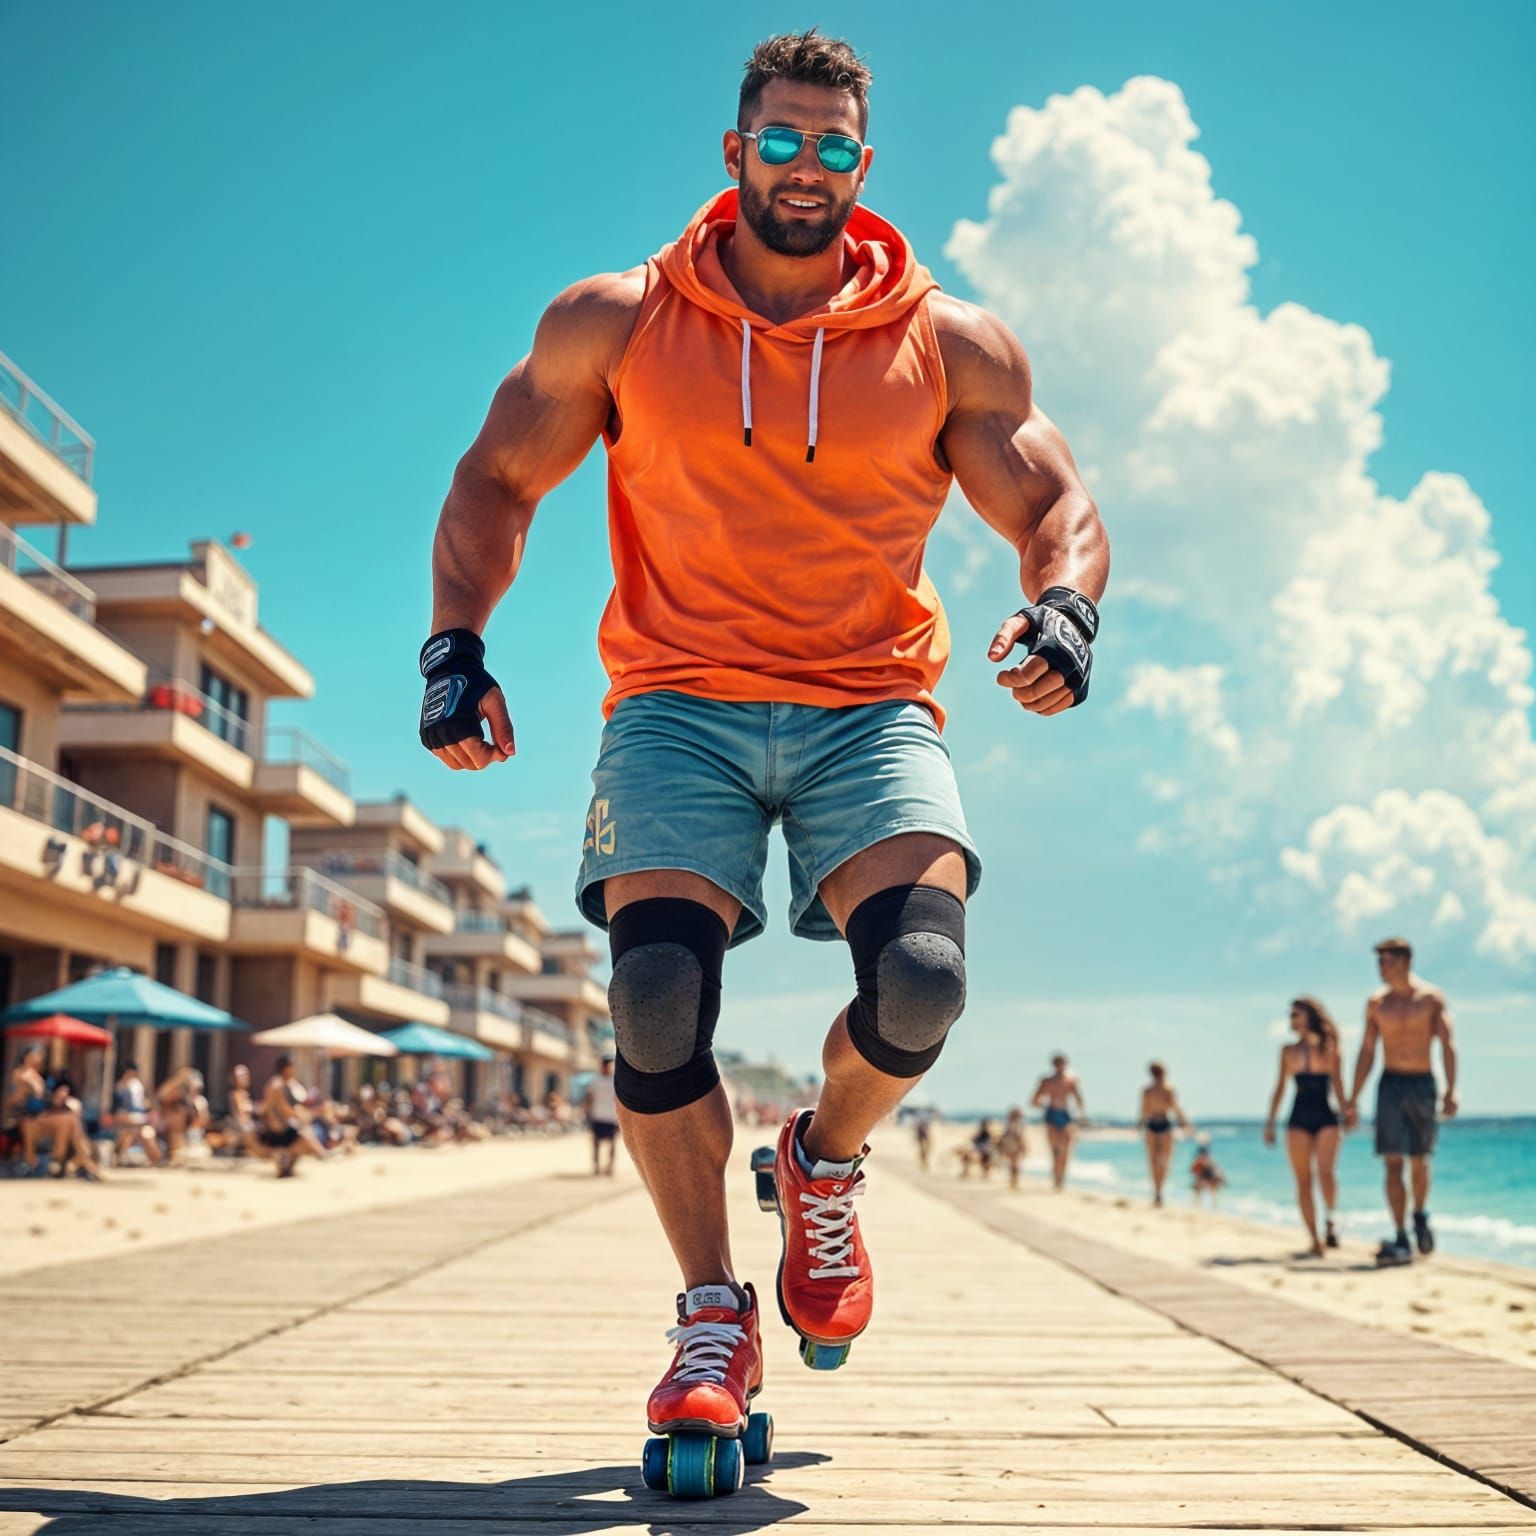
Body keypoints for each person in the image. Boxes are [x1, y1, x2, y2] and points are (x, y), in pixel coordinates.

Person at [416, 28, 1107, 1450]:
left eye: (832, 144)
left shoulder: (947, 340)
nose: (806, 166)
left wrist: (1062, 612)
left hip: (872, 707)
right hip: (676, 702)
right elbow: (497, 475)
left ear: (865, 161)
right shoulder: (614, 322)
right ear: (734, 155)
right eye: (780, 141)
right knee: (657, 998)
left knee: (919, 981)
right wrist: (456, 645)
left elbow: (1054, 505)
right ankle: (711, 1311)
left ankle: (823, 1162)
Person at [1346, 938, 1458, 1266]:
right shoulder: (1377, 1004)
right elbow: (1367, 1051)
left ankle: (1420, 1216)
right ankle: (1400, 1234)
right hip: (1390, 1083)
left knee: (1419, 1159)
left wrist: (1451, 1090)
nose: (1381, 969)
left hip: (1422, 1082)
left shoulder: (1431, 999)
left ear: (1405, 962)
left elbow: (1448, 1045)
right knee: (1392, 1161)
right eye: (1379, 962)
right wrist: (1352, 1098)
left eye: (1387, 962)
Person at [1264, 997, 1347, 1256]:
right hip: (1298, 1117)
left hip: (1326, 1116)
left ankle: (1331, 1219)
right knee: (1303, 1180)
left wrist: (1348, 1111)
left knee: (1325, 1172)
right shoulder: (1288, 1051)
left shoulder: (1330, 1047)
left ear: (1309, 1016)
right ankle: (1314, 1238)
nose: (1291, 1020)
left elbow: (1338, 1085)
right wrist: (1270, 1122)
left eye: (1296, 1015)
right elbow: (1279, 1088)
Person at [5, 1047, 102, 1179]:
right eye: (35, 1055)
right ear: (26, 1057)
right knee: (69, 1120)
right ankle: (72, 1160)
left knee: (70, 1121)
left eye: (39, 1055)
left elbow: (42, 1097)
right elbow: (28, 1095)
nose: (38, 1058)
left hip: (40, 1115)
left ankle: (69, 1160)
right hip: (28, 1117)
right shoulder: (21, 1073)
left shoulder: (37, 1075)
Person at [255, 1055, 326, 1177]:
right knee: (304, 1136)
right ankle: (322, 1154)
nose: (295, 1070)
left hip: (280, 1126)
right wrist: (296, 1116)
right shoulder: (277, 1085)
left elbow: (282, 1108)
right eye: (293, 1067)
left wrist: (299, 1115)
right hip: (277, 1129)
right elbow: (275, 1108)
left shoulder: (280, 1083)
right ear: (286, 1068)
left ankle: (288, 1166)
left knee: (303, 1136)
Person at [1030, 1052, 1084, 1190]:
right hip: (1052, 1114)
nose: (1060, 1066)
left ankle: (1061, 1180)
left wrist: (1080, 1115)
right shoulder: (1046, 1081)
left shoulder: (1071, 1080)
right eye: (1057, 1063)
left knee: (1065, 1149)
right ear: (1053, 1065)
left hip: (1066, 1115)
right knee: (1055, 1149)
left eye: (1062, 1063)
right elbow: (1034, 1101)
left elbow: (1079, 1099)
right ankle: (1056, 1178)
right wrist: (1045, 1105)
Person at [1138, 1062, 1189, 1207]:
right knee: (1154, 1160)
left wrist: (1184, 1123)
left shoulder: (1168, 1089)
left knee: (1164, 1161)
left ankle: (1159, 1190)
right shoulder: (1148, 1090)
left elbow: (1175, 1108)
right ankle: (1157, 1191)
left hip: (1165, 1124)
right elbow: (1144, 1110)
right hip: (1153, 1124)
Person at [112, 1061, 163, 1167]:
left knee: (146, 1134)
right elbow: (119, 1112)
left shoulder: (137, 1086)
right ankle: (119, 1158)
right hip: (127, 1119)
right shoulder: (121, 1087)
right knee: (134, 1133)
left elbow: (145, 1104)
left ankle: (156, 1161)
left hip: (137, 1119)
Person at [583, 1056, 621, 1176]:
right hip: (598, 1116)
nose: (607, 1067)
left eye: (609, 1065)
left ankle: (610, 1167)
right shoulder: (595, 1080)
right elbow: (590, 1097)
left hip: (612, 1117)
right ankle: (596, 1166)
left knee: (613, 1143)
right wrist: (586, 1111)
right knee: (596, 1143)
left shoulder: (616, 1080)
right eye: (605, 1065)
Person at [996, 1107, 1027, 1190]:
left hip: (1008, 1145)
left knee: (1012, 1165)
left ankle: (1013, 1181)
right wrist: (1024, 1147)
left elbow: (1003, 1135)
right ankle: (1014, 1182)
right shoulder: (1018, 1124)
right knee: (1015, 1165)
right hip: (1014, 1146)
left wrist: (1001, 1146)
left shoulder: (1007, 1124)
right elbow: (1019, 1136)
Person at [1190, 1136, 1225, 1203]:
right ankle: (1200, 1204)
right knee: (1208, 1191)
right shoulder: (1206, 1159)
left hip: (1206, 1173)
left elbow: (1193, 1170)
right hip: (1206, 1173)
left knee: (1199, 1190)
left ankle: (1197, 1204)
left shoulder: (1202, 1158)